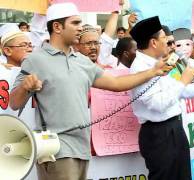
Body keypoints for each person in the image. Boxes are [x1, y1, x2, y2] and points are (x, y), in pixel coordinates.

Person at [9, 3, 172, 180]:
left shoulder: (82, 60)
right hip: (55, 150)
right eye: (76, 23)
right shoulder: (35, 59)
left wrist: (152, 71)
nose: (81, 28)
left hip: (82, 148)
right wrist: (25, 87)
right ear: (57, 27)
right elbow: (14, 102)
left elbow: (117, 83)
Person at [130, 16, 194, 180]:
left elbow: (174, 92)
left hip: (173, 128)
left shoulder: (157, 62)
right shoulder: (141, 68)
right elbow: (158, 103)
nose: (170, 44)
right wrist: (183, 80)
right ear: (154, 43)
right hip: (159, 133)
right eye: (164, 39)